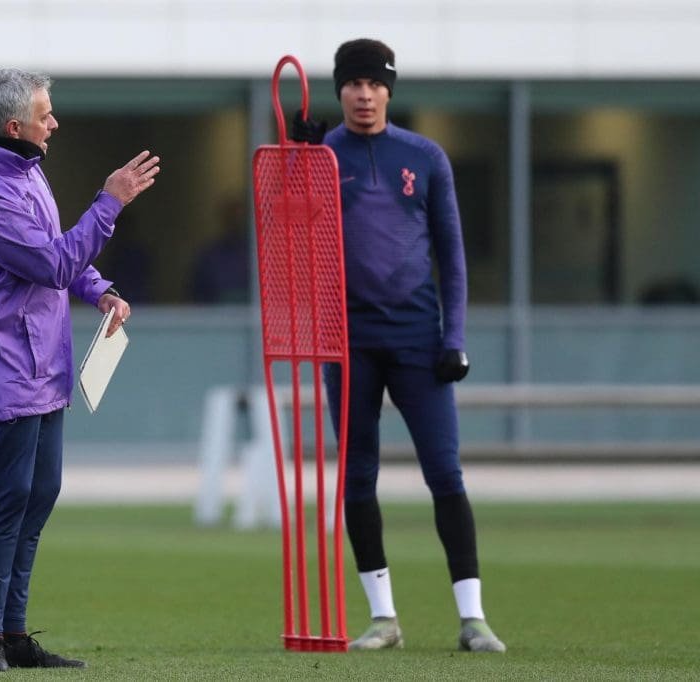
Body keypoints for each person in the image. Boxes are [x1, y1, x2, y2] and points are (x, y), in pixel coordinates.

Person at [291, 39, 506, 653]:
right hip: (349, 343)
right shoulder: (325, 153)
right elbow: (289, 227)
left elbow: (453, 255)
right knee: (358, 479)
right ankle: (383, 618)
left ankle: (473, 619)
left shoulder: (426, 156)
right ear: (339, 90)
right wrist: (300, 161)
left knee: (446, 475)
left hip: (419, 341)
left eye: (374, 83)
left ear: (389, 89)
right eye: (353, 84)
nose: (364, 95)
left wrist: (455, 338)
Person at [0, 68, 160, 672]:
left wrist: (101, 291)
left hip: (47, 359)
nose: (54, 122)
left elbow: (62, 253)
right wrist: (110, 200)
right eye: (46, 113)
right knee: (9, 496)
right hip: (8, 361)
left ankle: (14, 636)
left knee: (39, 494)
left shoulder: (24, 168)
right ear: (15, 126)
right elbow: (52, 262)